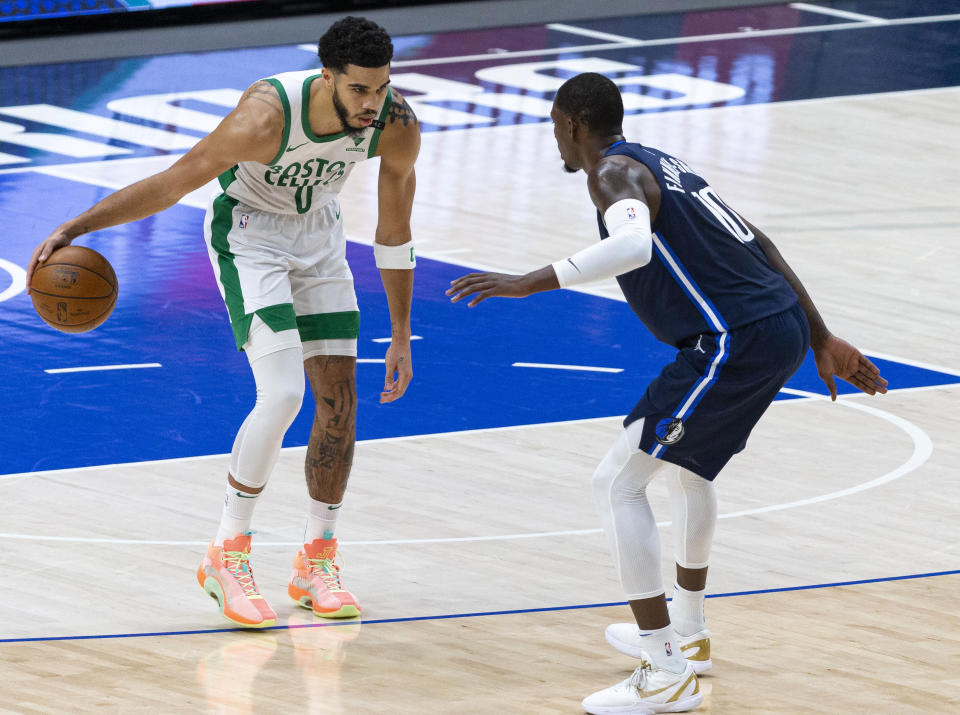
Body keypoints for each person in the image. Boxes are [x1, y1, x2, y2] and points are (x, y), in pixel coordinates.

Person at [446, 72, 887, 714]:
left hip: (730, 342)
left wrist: (524, 283)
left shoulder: (611, 175)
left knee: (617, 483)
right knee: (688, 470)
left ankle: (662, 668)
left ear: (571, 124)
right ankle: (689, 633)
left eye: (553, 127)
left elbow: (629, 246)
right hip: (774, 326)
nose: (556, 143)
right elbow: (758, 242)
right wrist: (817, 334)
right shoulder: (665, 164)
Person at [26, 16, 420, 628]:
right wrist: (75, 227)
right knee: (285, 392)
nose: (372, 103)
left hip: (320, 239)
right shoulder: (265, 117)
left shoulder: (394, 124)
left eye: (381, 88)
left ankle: (317, 557)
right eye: (358, 91)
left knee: (339, 401)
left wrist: (400, 334)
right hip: (250, 238)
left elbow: (394, 233)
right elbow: (172, 182)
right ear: (327, 78)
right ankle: (227, 553)